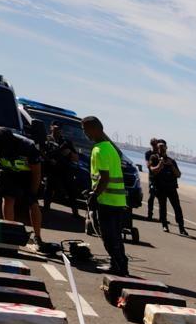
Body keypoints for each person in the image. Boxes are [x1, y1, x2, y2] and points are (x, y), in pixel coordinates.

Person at [0, 127, 45, 247]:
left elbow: (37, 173)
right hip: (7, 171)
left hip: (28, 174)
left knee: (33, 203)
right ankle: (9, 231)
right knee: (8, 198)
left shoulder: (28, 146)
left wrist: (33, 193)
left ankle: (38, 236)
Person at [82, 116, 131, 276]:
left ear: (94, 129)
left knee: (109, 237)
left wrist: (94, 195)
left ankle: (117, 265)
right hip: (117, 201)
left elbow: (104, 177)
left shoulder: (99, 150)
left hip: (107, 201)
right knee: (116, 236)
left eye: (85, 130)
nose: (85, 134)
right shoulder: (111, 148)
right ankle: (121, 264)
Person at [40, 123, 80, 216]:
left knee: (71, 191)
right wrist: (49, 159)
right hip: (51, 169)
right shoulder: (47, 139)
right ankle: (46, 209)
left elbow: (76, 158)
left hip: (65, 169)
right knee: (48, 189)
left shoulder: (66, 142)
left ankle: (75, 212)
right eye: (55, 128)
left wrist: (69, 153)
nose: (57, 130)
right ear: (51, 127)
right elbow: (40, 151)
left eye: (59, 129)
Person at [147, 139, 187, 235]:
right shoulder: (154, 158)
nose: (161, 149)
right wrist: (160, 165)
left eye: (163, 147)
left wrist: (171, 166)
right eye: (159, 147)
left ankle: (181, 227)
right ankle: (164, 225)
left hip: (172, 188)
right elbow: (152, 170)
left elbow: (178, 174)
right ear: (157, 148)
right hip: (160, 188)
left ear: (166, 148)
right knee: (163, 207)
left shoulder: (171, 161)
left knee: (177, 208)